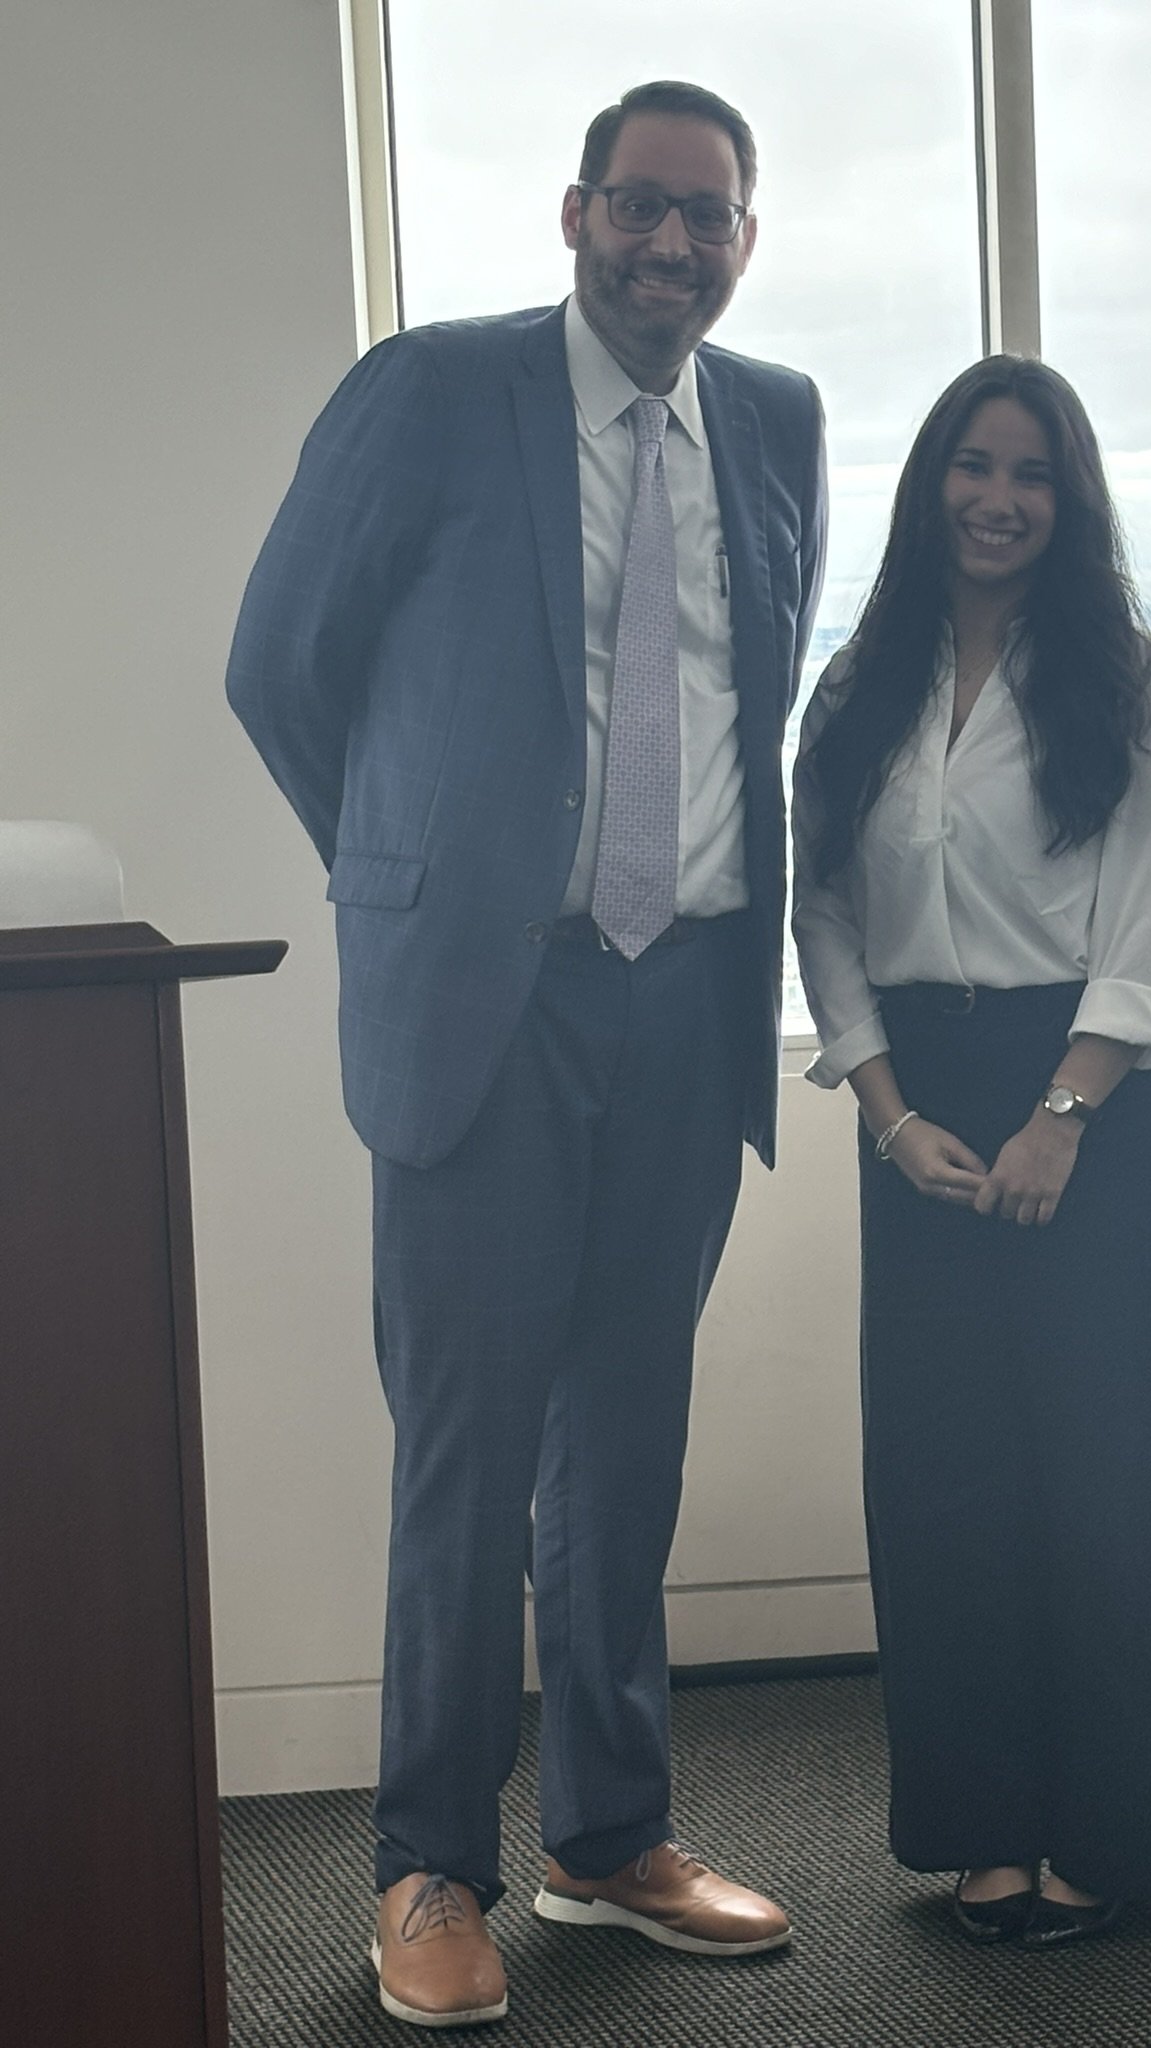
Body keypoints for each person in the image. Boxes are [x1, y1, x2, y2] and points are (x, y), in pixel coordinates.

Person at [228, 79, 826, 2029]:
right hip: (490, 1007)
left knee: (627, 1443)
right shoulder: (433, 391)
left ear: (745, 242)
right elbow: (280, 663)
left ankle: (608, 1834)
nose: (671, 245)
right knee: (467, 1459)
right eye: (640, 206)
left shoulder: (779, 421)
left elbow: (748, 693)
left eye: (707, 217)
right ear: (577, 215)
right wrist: (410, 875)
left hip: (688, 998)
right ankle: (429, 1865)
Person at [791, 355, 1151, 1946]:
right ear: (930, 489)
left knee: (1107, 1474)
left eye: (1031, 473)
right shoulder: (858, 687)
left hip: (1099, 1098)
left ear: (1071, 498)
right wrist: (889, 1115)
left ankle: (1117, 1834)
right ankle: (981, 1826)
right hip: (920, 1105)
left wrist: (1063, 1114)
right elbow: (823, 912)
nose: (998, 499)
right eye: (972, 467)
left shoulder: (1134, 678)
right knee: (945, 1479)